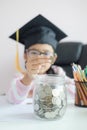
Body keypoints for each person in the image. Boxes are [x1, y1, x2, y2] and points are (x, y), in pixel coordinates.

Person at [7, 14, 75, 104]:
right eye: (34, 52)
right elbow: (13, 100)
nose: (39, 57)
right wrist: (28, 78)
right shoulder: (20, 76)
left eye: (46, 53)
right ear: (25, 55)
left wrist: (36, 93)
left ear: (53, 59)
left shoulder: (57, 72)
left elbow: (76, 91)